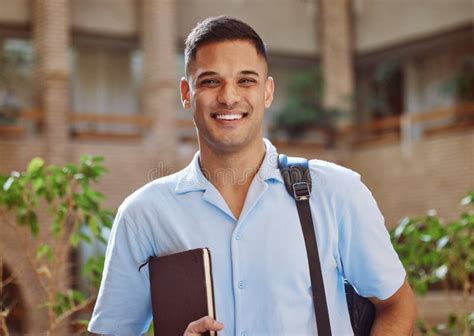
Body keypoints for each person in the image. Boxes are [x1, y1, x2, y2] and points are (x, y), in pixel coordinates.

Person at [88, 16, 416, 336]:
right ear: (186, 93)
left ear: (267, 92)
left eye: (246, 80)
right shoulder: (144, 214)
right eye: (210, 81)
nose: (229, 96)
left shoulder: (336, 192)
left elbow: (396, 305)